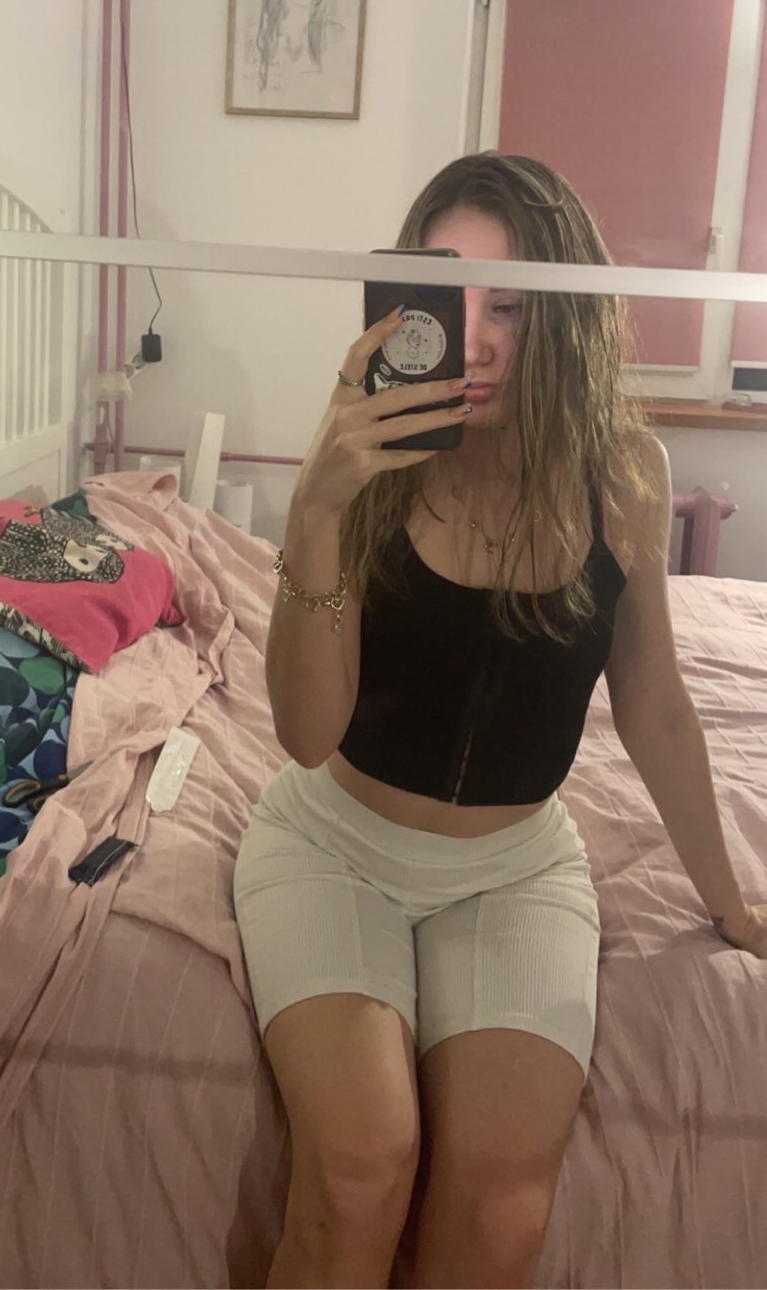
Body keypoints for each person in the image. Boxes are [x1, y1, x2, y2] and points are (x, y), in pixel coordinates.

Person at [233, 153, 767, 1290]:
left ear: (566, 316)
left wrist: (733, 903)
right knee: (361, 1166)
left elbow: (655, 704)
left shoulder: (624, 470)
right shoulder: (371, 464)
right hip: (334, 848)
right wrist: (314, 511)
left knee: (502, 1206)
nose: (470, 340)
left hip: (516, 868)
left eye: (510, 308)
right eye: (447, 297)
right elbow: (307, 733)